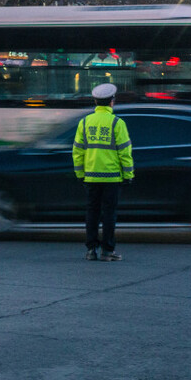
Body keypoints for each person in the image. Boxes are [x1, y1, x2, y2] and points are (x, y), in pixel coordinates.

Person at [73, 83, 134, 262]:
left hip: (91, 176)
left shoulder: (84, 122)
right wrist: (128, 174)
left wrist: (80, 174)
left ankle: (91, 250)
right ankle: (107, 251)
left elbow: (77, 151)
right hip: (112, 177)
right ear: (112, 102)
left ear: (95, 101)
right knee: (109, 214)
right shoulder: (117, 123)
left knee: (92, 213)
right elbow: (125, 152)